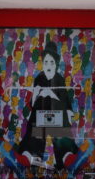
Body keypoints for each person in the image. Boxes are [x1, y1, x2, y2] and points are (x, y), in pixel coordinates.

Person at [17, 41, 79, 170]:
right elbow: (33, 103)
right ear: (42, 64)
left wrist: (52, 95)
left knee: (61, 134)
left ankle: (66, 155)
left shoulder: (59, 79)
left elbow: (64, 98)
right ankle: (29, 155)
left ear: (56, 64)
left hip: (57, 116)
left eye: (51, 62)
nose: (48, 65)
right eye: (46, 62)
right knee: (36, 132)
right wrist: (37, 94)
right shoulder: (39, 78)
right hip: (41, 116)